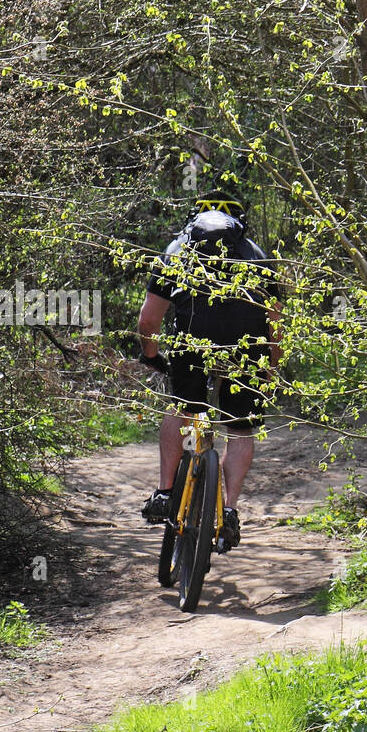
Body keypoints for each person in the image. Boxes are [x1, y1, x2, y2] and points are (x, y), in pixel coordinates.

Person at [137, 192, 281, 553]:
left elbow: (149, 320)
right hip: (246, 348)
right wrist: (271, 368)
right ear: (240, 224)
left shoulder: (177, 249)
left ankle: (166, 492)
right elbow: (276, 324)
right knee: (240, 427)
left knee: (182, 409)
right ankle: (229, 510)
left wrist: (152, 355)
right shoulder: (259, 255)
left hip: (192, 342)